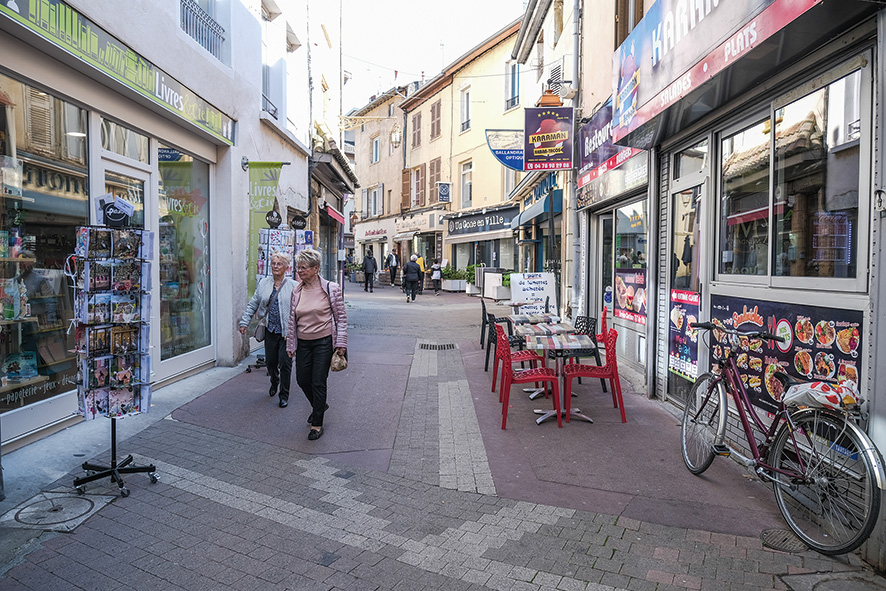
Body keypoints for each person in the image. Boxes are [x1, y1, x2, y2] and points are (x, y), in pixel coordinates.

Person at [287, 248, 347, 440]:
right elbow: (291, 320)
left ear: (315, 269)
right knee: (302, 380)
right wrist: (291, 344)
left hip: (324, 342)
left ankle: (317, 424)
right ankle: (320, 405)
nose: (300, 271)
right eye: (298, 267)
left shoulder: (331, 288)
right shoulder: (296, 290)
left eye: (304, 267)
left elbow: (341, 318)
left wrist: (341, 343)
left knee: (318, 382)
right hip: (303, 342)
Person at [239, 252, 296, 408]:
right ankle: (274, 380)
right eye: (273, 263)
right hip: (270, 330)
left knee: (285, 363)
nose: (275, 266)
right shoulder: (264, 283)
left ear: (286, 267)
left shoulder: (294, 286)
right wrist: (244, 322)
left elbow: (300, 309)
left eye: (279, 264)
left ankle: (284, 395)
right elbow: (253, 305)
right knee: (271, 362)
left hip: (287, 333)